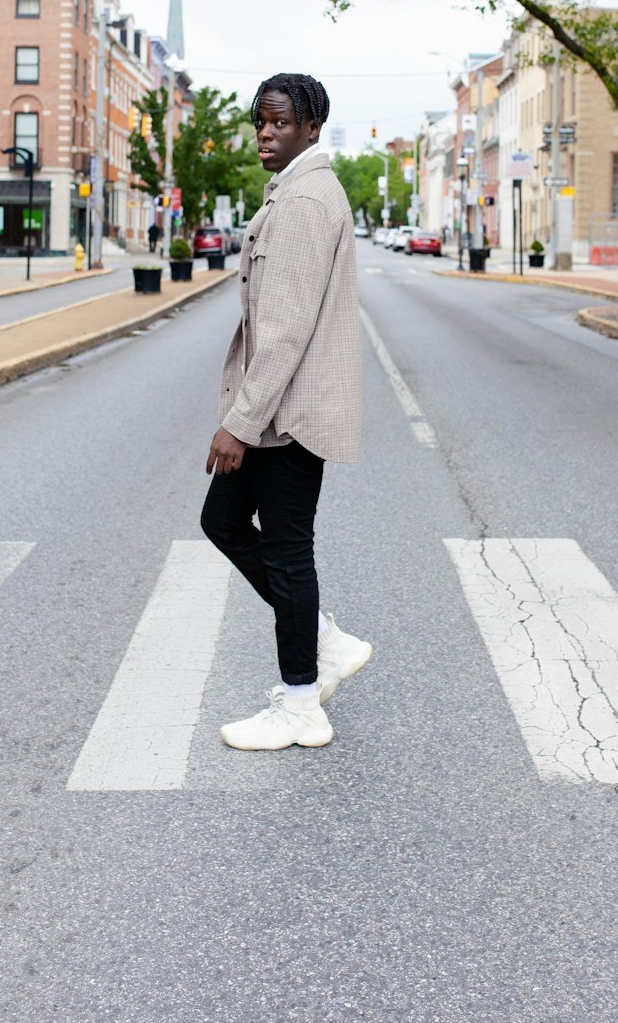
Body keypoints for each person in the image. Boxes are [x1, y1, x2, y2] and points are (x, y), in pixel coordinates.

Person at [201, 72, 371, 751]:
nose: (266, 134)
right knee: (223, 519)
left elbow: (284, 330)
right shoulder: (295, 192)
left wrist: (239, 423)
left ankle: (302, 701)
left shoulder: (303, 202)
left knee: (286, 550)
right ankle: (324, 643)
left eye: (279, 123)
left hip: (286, 415)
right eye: (260, 123)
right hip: (279, 409)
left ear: (311, 128)